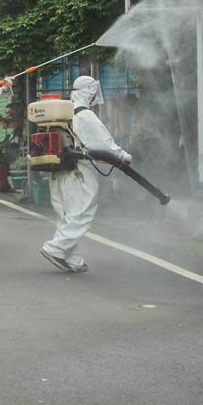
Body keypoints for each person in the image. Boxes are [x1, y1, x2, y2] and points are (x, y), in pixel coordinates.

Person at [41, 75, 131, 274]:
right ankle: (55, 248)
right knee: (81, 213)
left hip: (59, 171)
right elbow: (103, 142)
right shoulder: (84, 114)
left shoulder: (62, 113)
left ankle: (73, 259)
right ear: (90, 91)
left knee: (67, 215)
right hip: (79, 171)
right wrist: (122, 155)